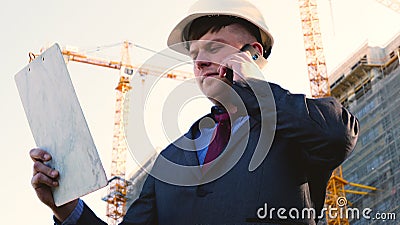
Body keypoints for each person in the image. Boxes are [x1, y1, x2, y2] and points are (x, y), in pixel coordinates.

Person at [30, 0, 359, 224]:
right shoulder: (170, 158)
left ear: (254, 53)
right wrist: (66, 209)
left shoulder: (295, 126)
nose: (200, 61)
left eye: (214, 48)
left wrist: (253, 86)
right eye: (194, 53)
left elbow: (335, 135)